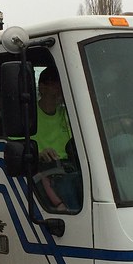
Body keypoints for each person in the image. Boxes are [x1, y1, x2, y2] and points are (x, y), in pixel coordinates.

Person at [32, 65, 81, 211]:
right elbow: (15, 149)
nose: (60, 90)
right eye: (56, 85)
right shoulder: (28, 116)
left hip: (72, 167)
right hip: (45, 169)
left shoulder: (67, 114)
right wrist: (39, 154)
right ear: (42, 88)